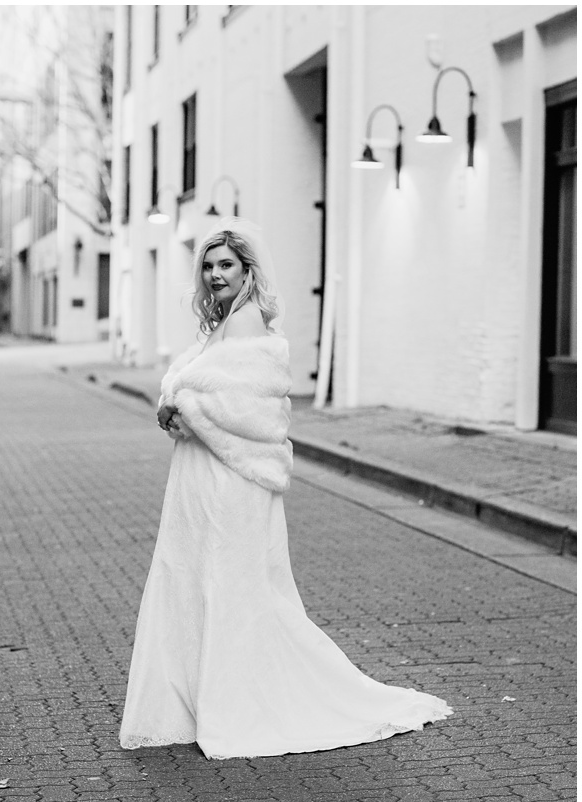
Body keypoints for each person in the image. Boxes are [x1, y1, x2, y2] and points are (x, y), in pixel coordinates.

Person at [119, 218, 451, 759]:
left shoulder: (247, 322)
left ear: (248, 271)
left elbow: (251, 413)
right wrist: (177, 402)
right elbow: (197, 385)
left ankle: (238, 705)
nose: (215, 273)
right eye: (208, 265)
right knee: (198, 580)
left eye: (226, 264)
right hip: (201, 475)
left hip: (234, 478)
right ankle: (201, 701)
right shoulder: (222, 324)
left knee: (231, 586)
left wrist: (182, 404)